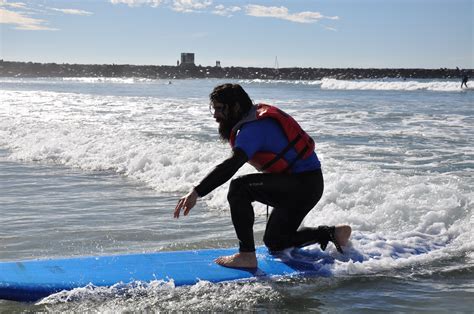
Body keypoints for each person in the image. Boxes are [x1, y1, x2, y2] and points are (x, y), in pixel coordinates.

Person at [174, 83, 351, 268]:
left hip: (302, 185)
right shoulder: (254, 120)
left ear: (234, 107)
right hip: (307, 185)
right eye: (214, 108)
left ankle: (247, 256)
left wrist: (196, 192)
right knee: (275, 242)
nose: (215, 115)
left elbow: (232, 165)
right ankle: (331, 233)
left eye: (219, 109)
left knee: (239, 188)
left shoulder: (253, 129)